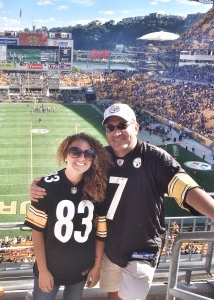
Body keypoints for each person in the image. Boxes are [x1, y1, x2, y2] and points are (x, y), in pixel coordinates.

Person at [30, 103, 214, 300]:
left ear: (136, 127)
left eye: (122, 126)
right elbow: (74, 174)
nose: (116, 132)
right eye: (110, 127)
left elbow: (186, 189)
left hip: (142, 247)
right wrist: (40, 184)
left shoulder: (155, 158)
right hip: (111, 246)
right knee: (114, 295)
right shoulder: (102, 158)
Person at [25, 133, 113, 300]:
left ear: (93, 159)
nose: (82, 157)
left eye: (88, 154)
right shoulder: (45, 186)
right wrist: (43, 270)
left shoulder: (97, 188)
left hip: (81, 269)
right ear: (65, 154)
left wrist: (96, 266)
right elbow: (36, 232)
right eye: (75, 151)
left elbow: (101, 234)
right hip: (50, 267)